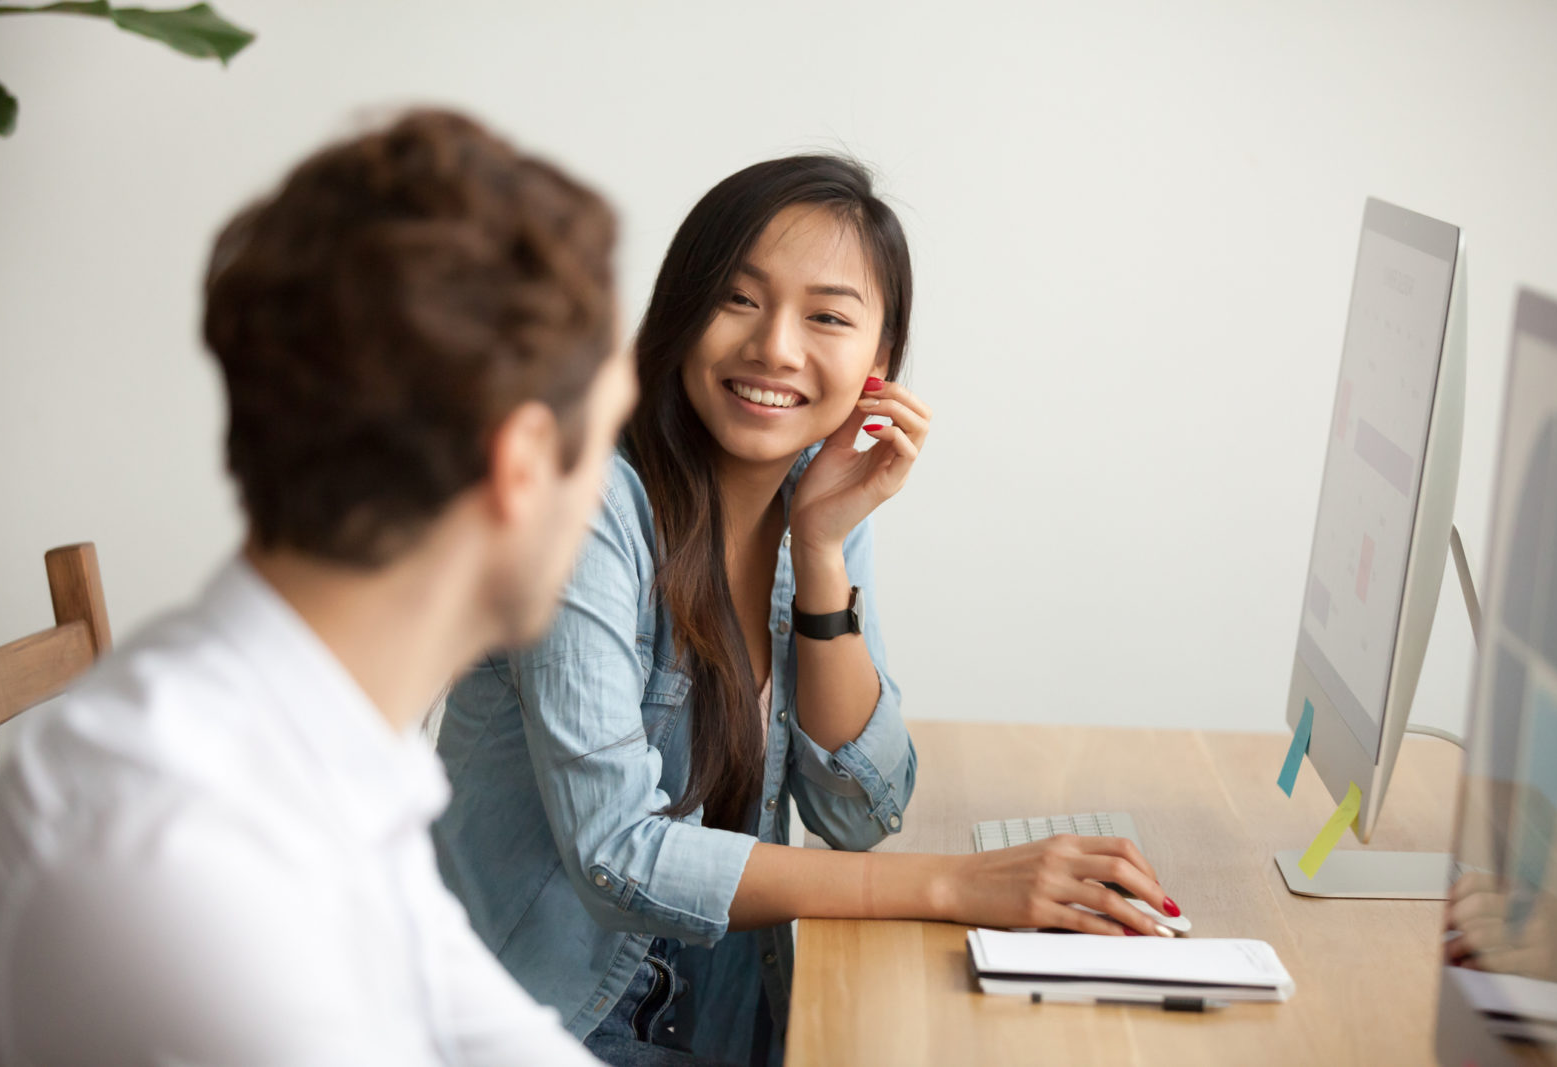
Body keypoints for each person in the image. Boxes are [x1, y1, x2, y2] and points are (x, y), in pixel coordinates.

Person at [434, 155, 1181, 1066]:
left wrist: (822, 549)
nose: (776, 348)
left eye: (827, 316)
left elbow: (861, 810)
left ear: (880, 364)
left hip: (724, 1017)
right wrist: (956, 885)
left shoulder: (815, 488)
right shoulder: (584, 504)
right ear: (679, 313)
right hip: (548, 1026)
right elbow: (616, 855)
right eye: (739, 299)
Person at [0, 109, 635, 1065]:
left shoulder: (323, 737)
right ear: (526, 464)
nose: (607, 504)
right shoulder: (177, 851)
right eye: (609, 447)